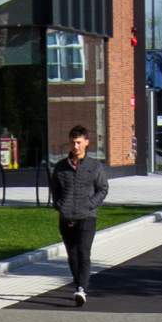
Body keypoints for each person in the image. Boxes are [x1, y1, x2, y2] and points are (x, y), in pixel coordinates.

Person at [47, 124, 109, 305]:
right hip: (66, 216)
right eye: (73, 142)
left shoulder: (94, 166)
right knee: (72, 254)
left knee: (83, 251)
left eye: (79, 142)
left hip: (87, 216)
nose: (76, 146)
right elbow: (55, 189)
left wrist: (91, 204)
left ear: (86, 142)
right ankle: (78, 285)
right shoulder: (61, 167)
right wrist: (59, 205)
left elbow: (103, 188)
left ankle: (82, 288)